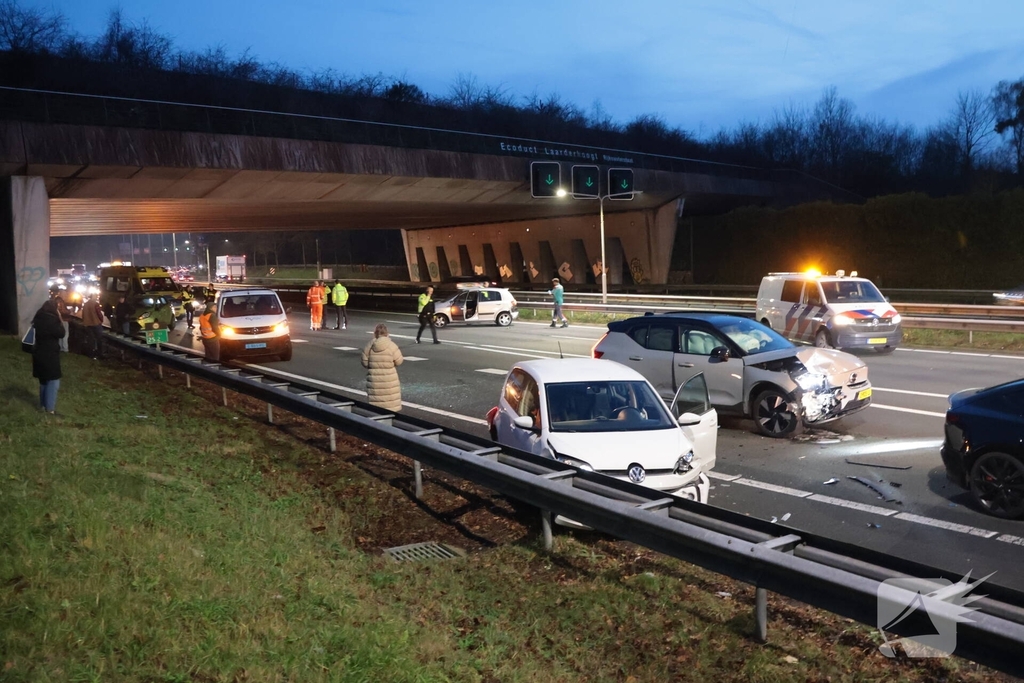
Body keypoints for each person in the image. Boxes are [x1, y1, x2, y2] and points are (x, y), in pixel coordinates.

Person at [31, 297, 65, 414]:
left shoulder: (38, 319)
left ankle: (42, 406)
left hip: (38, 353)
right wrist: (60, 319)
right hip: (50, 354)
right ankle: (50, 409)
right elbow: (61, 333)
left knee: (43, 380)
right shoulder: (52, 320)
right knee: (54, 380)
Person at [361, 323, 404, 412]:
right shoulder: (392, 345)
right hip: (390, 380)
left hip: (374, 380)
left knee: (376, 408)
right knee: (391, 407)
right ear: (387, 333)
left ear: (375, 333)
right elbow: (399, 361)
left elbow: (364, 362)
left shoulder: (370, 345)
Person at [81, 292, 105, 359]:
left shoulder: (85, 304)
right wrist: (101, 320)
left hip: (88, 324)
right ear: (92, 297)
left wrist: (85, 321)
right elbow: (99, 314)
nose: (96, 298)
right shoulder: (95, 304)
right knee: (99, 339)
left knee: (90, 340)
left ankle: (90, 354)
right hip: (96, 323)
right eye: (95, 297)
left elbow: (83, 315)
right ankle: (99, 353)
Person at [50, 285, 70, 353]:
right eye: (65, 294)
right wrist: (70, 311)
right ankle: (65, 349)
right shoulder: (60, 301)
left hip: (58, 320)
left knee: (60, 334)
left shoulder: (54, 300)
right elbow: (63, 311)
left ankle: (61, 348)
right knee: (65, 334)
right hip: (63, 320)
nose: (66, 296)